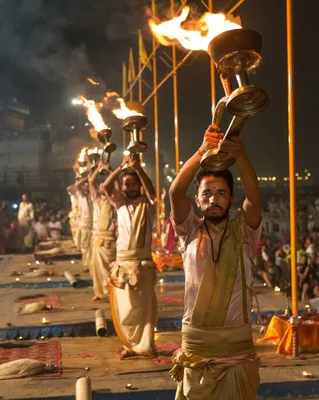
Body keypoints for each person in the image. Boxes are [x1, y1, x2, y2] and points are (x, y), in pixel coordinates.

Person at [169, 124, 262, 399]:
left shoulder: (245, 231)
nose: (214, 199)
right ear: (197, 200)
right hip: (198, 343)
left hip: (236, 346)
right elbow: (175, 193)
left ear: (232, 199)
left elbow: (254, 199)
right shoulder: (189, 231)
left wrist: (241, 156)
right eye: (207, 193)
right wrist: (201, 152)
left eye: (221, 193)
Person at [105, 154, 157, 359]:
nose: (131, 187)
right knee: (125, 308)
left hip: (143, 263)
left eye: (135, 184)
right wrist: (121, 167)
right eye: (127, 184)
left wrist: (139, 169)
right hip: (123, 263)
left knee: (144, 308)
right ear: (123, 187)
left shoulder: (148, 204)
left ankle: (145, 347)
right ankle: (130, 344)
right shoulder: (120, 203)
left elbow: (152, 190)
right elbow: (106, 187)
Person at [88, 162, 117, 301]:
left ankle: (113, 291)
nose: (102, 186)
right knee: (97, 268)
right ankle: (99, 292)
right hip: (97, 237)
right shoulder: (97, 200)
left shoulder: (115, 200)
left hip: (109, 239)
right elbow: (91, 182)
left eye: (105, 185)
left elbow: (115, 182)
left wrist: (110, 170)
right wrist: (99, 169)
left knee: (111, 267)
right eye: (101, 185)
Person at [74, 177, 93, 273]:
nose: (86, 187)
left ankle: (92, 264)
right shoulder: (81, 195)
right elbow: (77, 186)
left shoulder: (92, 195)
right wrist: (87, 178)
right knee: (85, 245)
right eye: (85, 186)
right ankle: (87, 265)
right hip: (84, 224)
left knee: (93, 246)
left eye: (87, 186)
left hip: (94, 225)